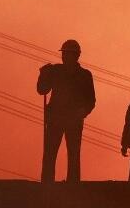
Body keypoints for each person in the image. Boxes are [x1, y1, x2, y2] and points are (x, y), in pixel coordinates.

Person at [37, 39, 96, 183]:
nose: (63, 56)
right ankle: (47, 183)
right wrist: (43, 75)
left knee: (73, 155)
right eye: (63, 54)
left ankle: (73, 185)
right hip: (56, 119)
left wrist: (82, 112)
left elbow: (91, 100)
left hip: (73, 120)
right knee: (50, 153)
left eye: (66, 54)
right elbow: (42, 90)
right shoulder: (55, 71)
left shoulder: (84, 75)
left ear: (75, 56)